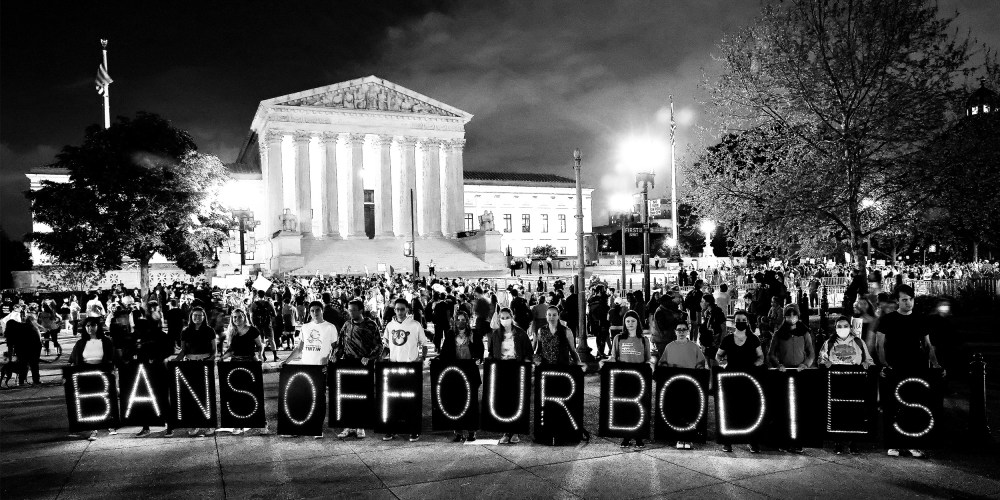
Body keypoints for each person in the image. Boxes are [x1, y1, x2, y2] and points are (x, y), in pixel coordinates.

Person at [875, 284, 942, 459]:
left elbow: (928, 345)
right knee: (892, 405)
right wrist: (883, 364)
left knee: (915, 404)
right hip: (895, 366)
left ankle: (913, 443)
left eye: (911, 299)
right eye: (904, 300)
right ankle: (894, 443)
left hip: (916, 366)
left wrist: (935, 364)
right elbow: (879, 345)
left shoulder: (920, 319)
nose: (909, 303)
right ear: (897, 301)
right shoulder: (888, 319)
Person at [282, 301, 338, 439]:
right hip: (305, 367)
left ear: (322, 310)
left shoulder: (330, 327)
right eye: (312, 310)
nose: (315, 313)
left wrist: (330, 359)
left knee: (319, 399)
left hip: (320, 369)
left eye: (317, 310)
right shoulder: (305, 327)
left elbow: (336, 348)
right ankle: (300, 427)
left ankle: (317, 427)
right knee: (304, 397)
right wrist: (286, 361)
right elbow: (299, 348)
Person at [533, 305, 588, 445]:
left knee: (563, 403)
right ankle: (547, 432)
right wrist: (536, 360)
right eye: (549, 315)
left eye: (554, 315)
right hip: (547, 372)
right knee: (548, 404)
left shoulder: (566, 331)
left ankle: (563, 432)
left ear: (558, 316)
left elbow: (573, 350)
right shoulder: (541, 331)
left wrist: (579, 364)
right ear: (546, 316)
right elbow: (538, 350)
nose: (551, 317)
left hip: (563, 371)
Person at [818, 315, 873, 455]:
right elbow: (821, 360)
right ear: (835, 328)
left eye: (845, 326)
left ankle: (854, 442)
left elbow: (869, 359)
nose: (842, 329)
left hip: (855, 382)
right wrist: (825, 363)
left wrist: (866, 363)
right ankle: (838, 442)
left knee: (855, 412)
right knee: (838, 412)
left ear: (850, 327)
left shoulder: (859, 342)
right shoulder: (829, 343)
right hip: (836, 383)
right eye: (839, 326)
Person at [715, 309, 765, 453]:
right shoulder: (727, 339)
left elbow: (761, 357)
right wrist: (723, 363)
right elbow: (718, 356)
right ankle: (728, 441)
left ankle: (752, 440)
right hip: (731, 379)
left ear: (747, 322)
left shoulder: (753, 338)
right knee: (731, 409)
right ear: (734, 322)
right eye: (738, 320)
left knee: (750, 409)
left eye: (743, 320)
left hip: (749, 379)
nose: (741, 323)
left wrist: (756, 364)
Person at [335, 298, 383, 440]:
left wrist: (369, 357)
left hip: (363, 366)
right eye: (349, 310)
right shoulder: (346, 324)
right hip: (348, 365)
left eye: (353, 310)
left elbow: (379, 345)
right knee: (347, 397)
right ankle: (348, 426)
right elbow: (340, 344)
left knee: (362, 397)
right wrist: (336, 356)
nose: (350, 313)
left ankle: (360, 426)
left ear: (361, 310)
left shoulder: (371, 325)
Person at [381, 298, 428, 442]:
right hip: (393, 367)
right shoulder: (390, 326)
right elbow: (386, 346)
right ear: (394, 310)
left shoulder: (415, 325)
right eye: (397, 309)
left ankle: (413, 429)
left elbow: (424, 344)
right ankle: (392, 428)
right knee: (393, 400)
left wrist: (421, 358)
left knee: (411, 401)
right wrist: (381, 357)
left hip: (410, 367)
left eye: (402, 309)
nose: (400, 312)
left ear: (407, 309)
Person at [219, 309, 269, 436]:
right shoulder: (232, 331)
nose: (237, 319)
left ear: (244, 317)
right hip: (235, 364)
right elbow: (232, 350)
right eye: (234, 317)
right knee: (237, 396)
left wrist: (260, 355)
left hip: (250, 363)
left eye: (239, 317)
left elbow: (260, 345)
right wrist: (222, 358)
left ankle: (262, 423)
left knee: (255, 394)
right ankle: (239, 424)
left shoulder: (252, 330)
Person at [485, 308, 532, 445]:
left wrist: (527, 361)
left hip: (516, 367)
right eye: (502, 318)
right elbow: (491, 351)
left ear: (512, 317)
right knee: (503, 400)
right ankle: (506, 431)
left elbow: (528, 351)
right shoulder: (496, 334)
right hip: (501, 368)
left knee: (516, 400)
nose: (505, 320)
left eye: (507, 317)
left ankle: (515, 431)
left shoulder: (520, 333)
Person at [658, 321, 707, 450]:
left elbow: (701, 364)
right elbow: (662, 363)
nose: (681, 332)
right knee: (676, 410)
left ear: (688, 331)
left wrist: (698, 373)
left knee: (689, 411)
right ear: (675, 331)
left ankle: (688, 437)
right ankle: (679, 437)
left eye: (683, 329)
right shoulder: (669, 347)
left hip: (690, 385)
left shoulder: (694, 347)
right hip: (674, 385)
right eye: (678, 329)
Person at [609, 310, 653, 450]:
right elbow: (614, 357)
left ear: (637, 323)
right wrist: (605, 363)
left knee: (639, 408)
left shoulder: (644, 340)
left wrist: (651, 366)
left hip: (639, 378)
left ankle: (639, 436)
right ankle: (626, 436)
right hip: (623, 377)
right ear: (624, 323)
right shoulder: (618, 338)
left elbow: (647, 359)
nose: (630, 324)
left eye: (633, 321)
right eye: (627, 321)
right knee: (625, 407)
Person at [440, 310, 485, 443]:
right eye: (458, 319)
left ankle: (471, 431)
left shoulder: (473, 334)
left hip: (470, 372)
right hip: (456, 373)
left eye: (463, 320)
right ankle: (458, 431)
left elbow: (480, 349)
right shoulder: (450, 334)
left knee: (472, 403)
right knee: (456, 403)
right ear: (455, 321)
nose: (461, 322)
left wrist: (478, 358)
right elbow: (445, 352)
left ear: (467, 321)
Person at [172, 306, 218, 438]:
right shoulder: (185, 331)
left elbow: (214, 350)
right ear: (191, 317)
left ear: (204, 317)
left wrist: (210, 360)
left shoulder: (209, 330)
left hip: (205, 363)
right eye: (195, 315)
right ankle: (195, 424)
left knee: (207, 395)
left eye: (200, 315)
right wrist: (176, 360)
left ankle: (209, 424)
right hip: (190, 364)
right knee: (192, 396)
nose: (197, 317)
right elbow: (183, 350)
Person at [68, 317, 116, 441]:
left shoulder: (106, 341)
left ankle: (109, 424)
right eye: (88, 326)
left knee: (106, 399)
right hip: (86, 373)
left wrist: (112, 372)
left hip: (102, 373)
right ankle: (93, 428)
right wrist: (69, 376)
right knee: (90, 401)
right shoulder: (81, 343)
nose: (90, 328)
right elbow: (73, 359)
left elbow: (112, 358)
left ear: (98, 326)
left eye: (93, 325)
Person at [249, 291, 278, 362]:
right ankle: (275, 356)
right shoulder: (268, 303)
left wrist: (253, 324)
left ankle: (263, 356)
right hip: (268, 324)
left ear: (257, 295)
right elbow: (274, 314)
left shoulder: (254, 304)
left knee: (261, 341)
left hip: (258, 325)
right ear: (264, 295)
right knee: (271, 340)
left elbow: (251, 315)